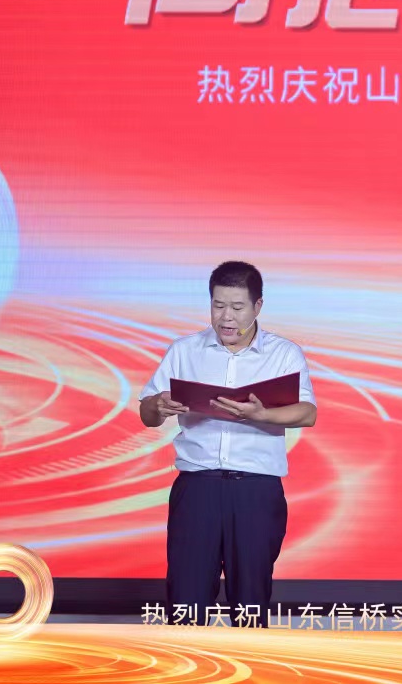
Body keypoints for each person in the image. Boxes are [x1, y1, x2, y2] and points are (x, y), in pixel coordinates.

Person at [140, 260, 317, 622]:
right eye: (218, 305)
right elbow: (147, 413)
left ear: (257, 306)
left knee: (250, 598)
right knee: (186, 599)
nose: (226, 317)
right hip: (197, 488)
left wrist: (261, 415)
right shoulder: (184, 350)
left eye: (237, 307)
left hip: (255, 491)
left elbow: (307, 412)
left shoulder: (283, 354)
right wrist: (158, 406)